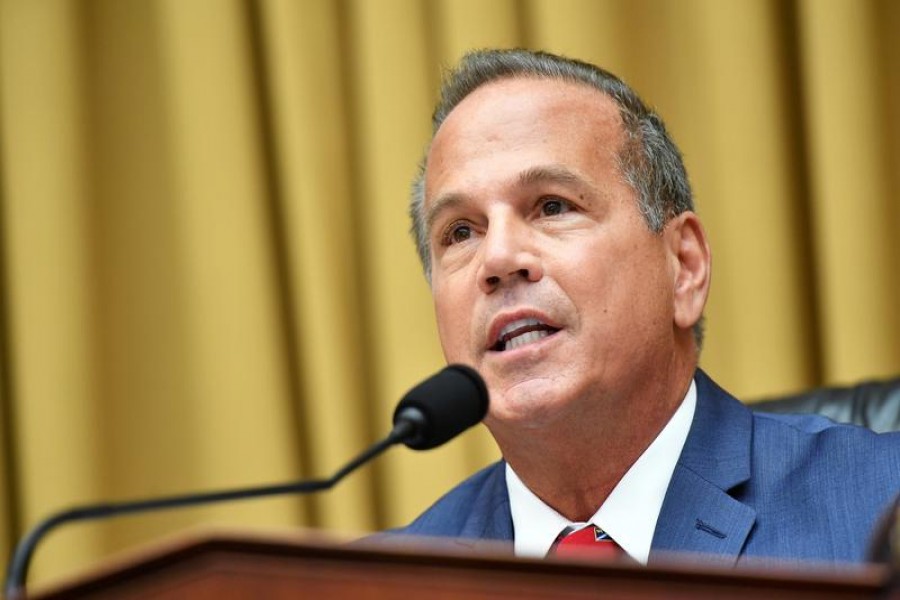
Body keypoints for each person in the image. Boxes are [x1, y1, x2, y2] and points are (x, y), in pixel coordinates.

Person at [392, 48, 900, 566]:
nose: (497, 259)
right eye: (460, 232)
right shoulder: (382, 580)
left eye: (552, 206)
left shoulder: (880, 508)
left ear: (684, 266)